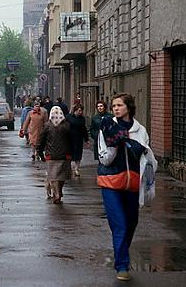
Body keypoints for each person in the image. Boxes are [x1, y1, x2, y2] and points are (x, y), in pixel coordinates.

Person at [97, 93, 158, 282]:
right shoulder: (107, 128)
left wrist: (137, 148)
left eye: (119, 105)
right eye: (113, 105)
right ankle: (122, 265)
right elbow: (104, 159)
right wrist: (115, 143)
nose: (115, 108)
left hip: (133, 183)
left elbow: (145, 156)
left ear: (129, 107)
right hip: (111, 183)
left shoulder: (140, 130)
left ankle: (121, 252)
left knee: (131, 225)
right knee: (120, 225)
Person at [39, 106, 72, 203]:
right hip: (64, 154)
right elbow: (72, 140)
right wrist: (71, 153)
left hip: (51, 155)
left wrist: (40, 152)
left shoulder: (47, 125)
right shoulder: (66, 125)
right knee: (62, 175)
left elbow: (41, 140)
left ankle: (57, 194)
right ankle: (59, 192)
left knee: (53, 176)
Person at [66, 104, 89, 177]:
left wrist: (86, 139)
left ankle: (76, 169)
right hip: (70, 139)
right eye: (79, 110)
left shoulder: (82, 119)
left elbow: (84, 129)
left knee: (78, 154)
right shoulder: (68, 117)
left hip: (79, 139)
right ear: (75, 110)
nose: (80, 112)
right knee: (69, 154)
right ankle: (68, 168)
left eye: (81, 110)